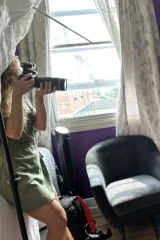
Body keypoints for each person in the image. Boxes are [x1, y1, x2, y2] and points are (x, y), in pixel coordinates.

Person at [0, 57, 74, 240]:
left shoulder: (20, 99)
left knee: (61, 220)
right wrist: (17, 95)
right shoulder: (5, 100)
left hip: (34, 163)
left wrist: (39, 97)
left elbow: (40, 125)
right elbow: (13, 134)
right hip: (17, 170)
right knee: (59, 219)